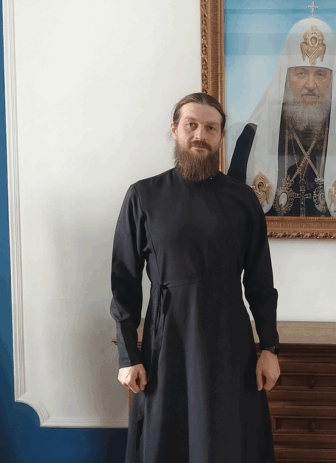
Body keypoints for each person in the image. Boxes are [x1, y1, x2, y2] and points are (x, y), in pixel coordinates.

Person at [110, 93, 280, 463]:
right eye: (192, 125)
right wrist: (127, 355)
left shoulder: (243, 199)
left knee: (228, 439)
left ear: (221, 137)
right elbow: (124, 284)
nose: (200, 135)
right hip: (166, 340)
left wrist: (269, 348)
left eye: (210, 128)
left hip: (229, 341)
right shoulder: (143, 195)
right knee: (166, 438)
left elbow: (261, 283)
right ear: (175, 130)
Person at [227, 16, 336, 217]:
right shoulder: (253, 135)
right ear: (286, 78)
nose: (311, 85)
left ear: (332, 81)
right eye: (301, 73)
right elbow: (230, 207)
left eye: (320, 74)